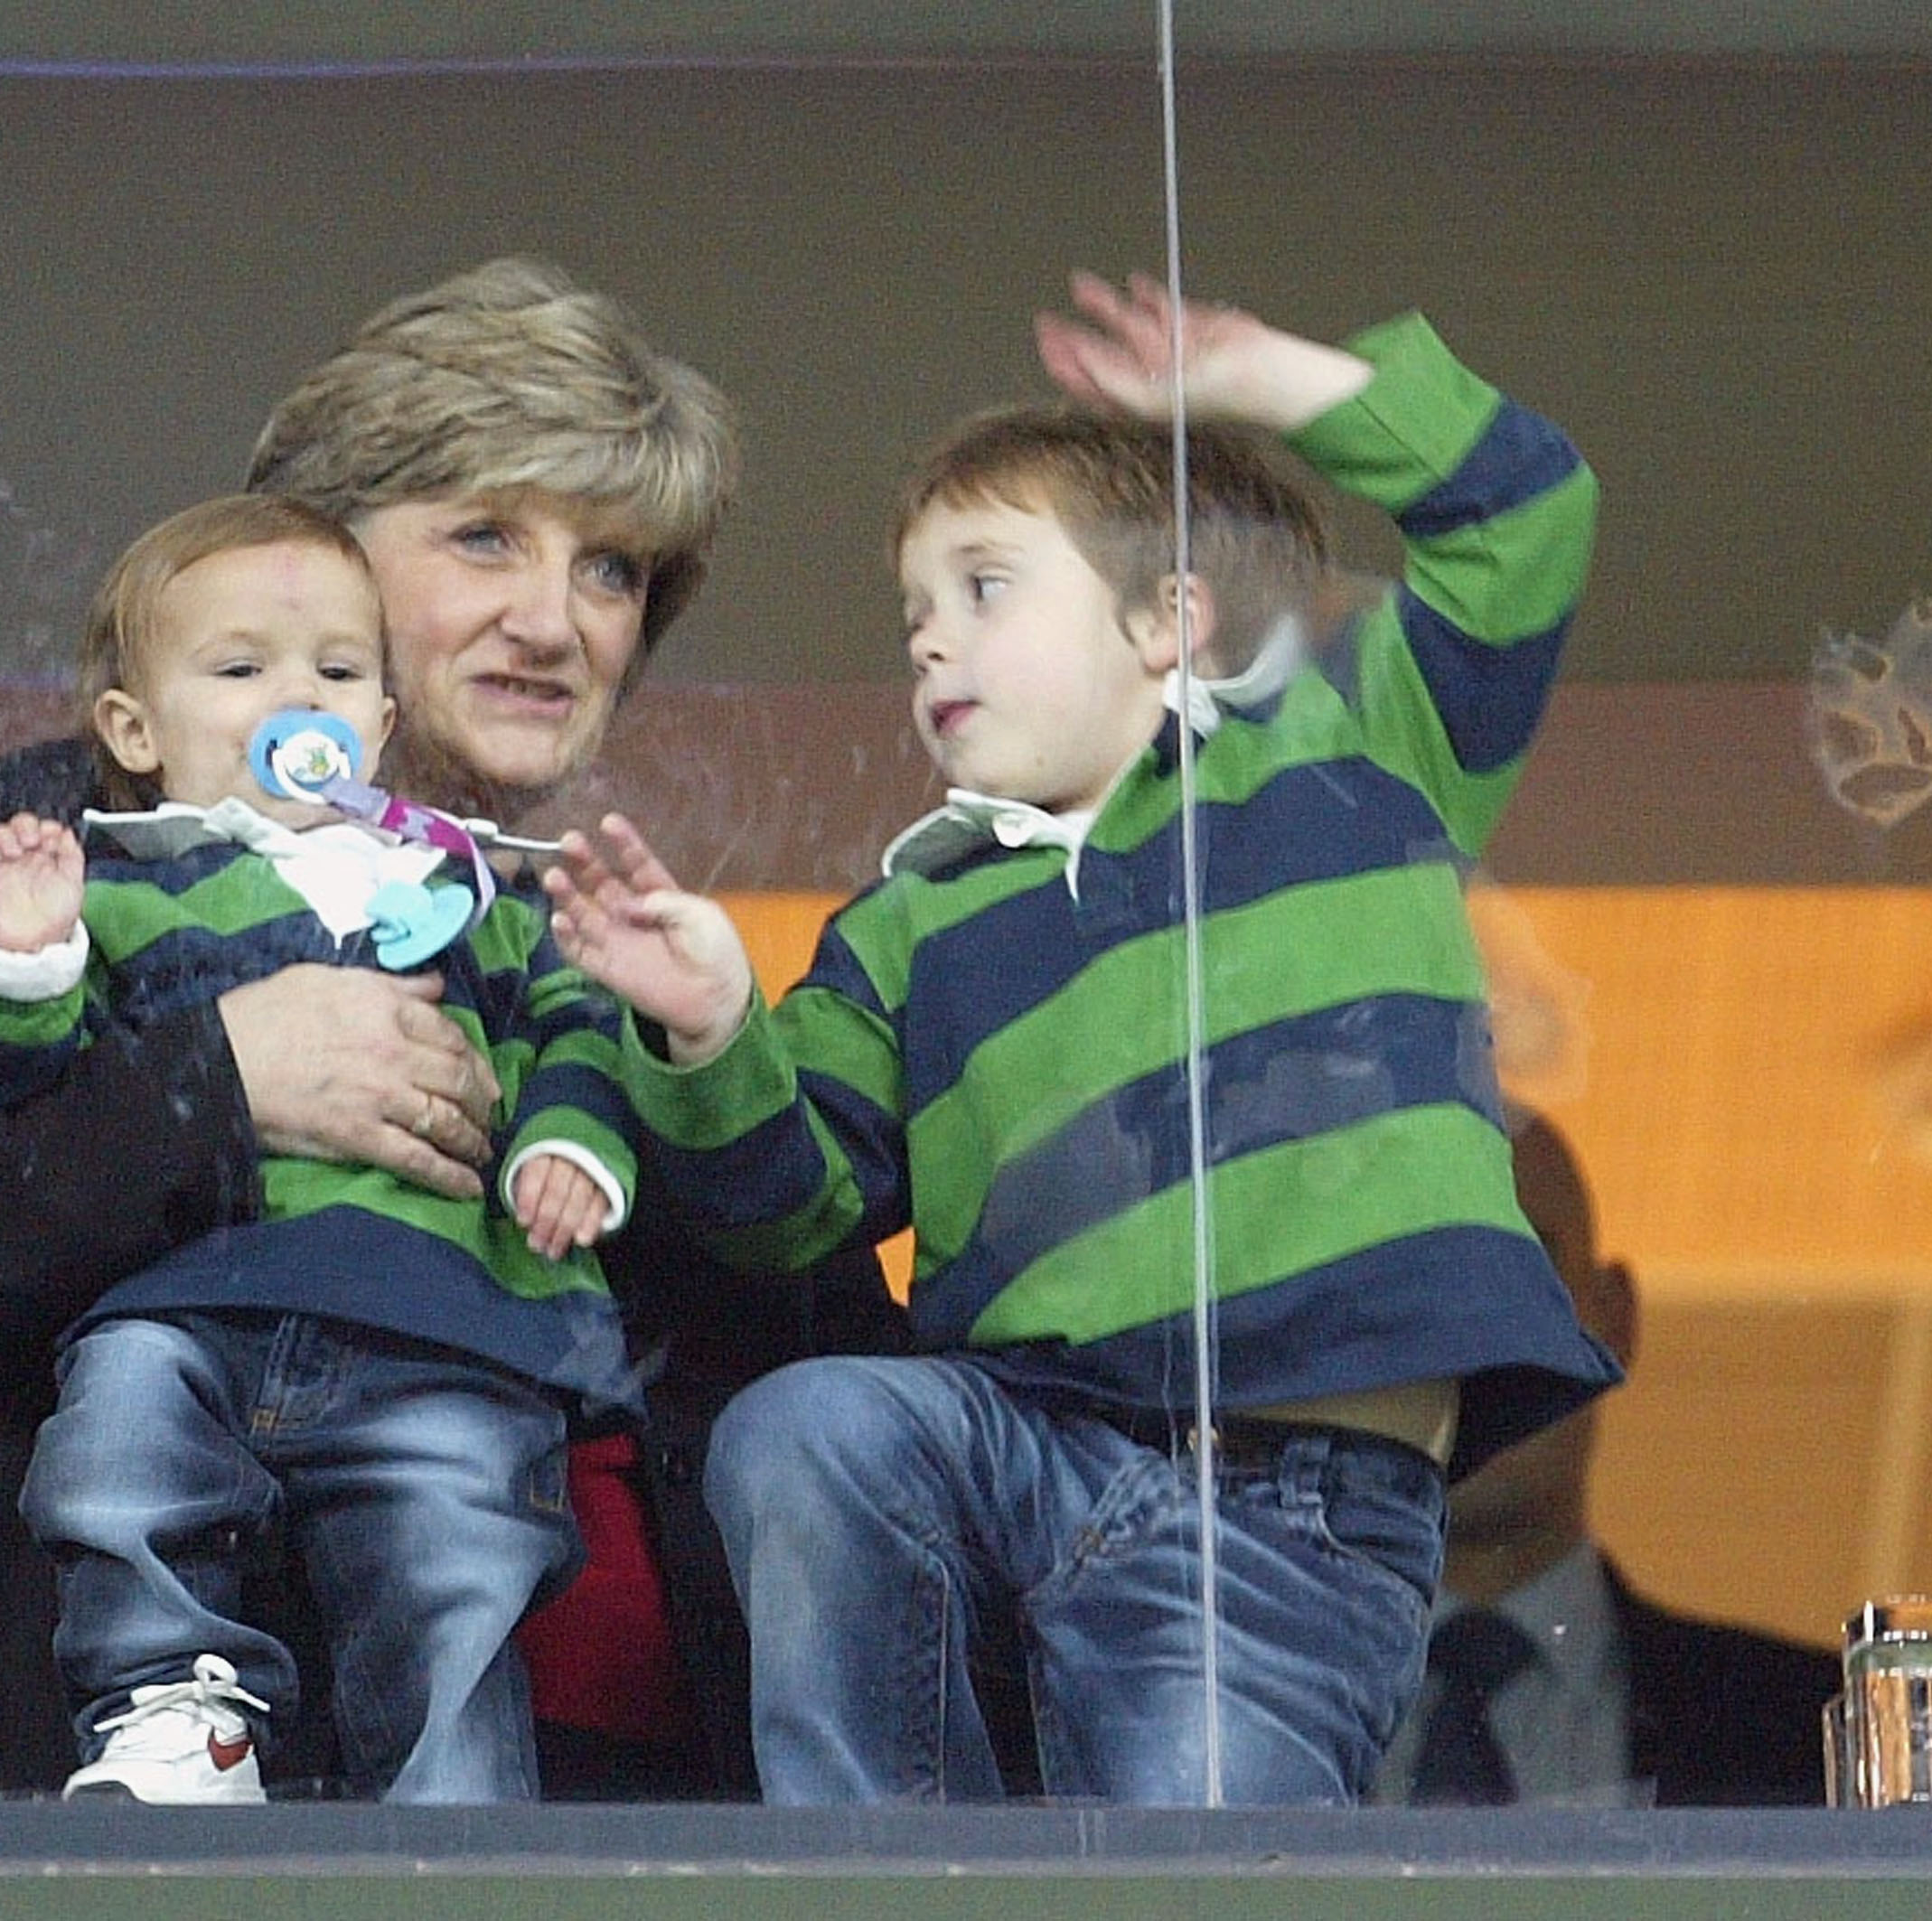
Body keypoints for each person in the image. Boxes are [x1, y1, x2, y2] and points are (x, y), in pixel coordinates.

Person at [0, 258, 904, 1801]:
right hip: (217, 1813)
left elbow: (840, 1389)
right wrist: (227, 1077)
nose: (555, 618)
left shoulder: (589, 922)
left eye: (612, 570)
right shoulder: (99, 825)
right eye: (485, 537)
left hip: (622, 1812)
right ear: (314, 551)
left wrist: (696, 1069)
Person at [544, 274, 1622, 1804]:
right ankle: (883, 1868)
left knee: (1189, 1860)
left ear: (1168, 618)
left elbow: (1526, 517)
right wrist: (715, 1032)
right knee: (816, 1424)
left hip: (1288, 1508)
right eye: (913, 612)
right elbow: (791, 1210)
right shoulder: (913, 919)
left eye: (984, 588)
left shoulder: (1349, 761)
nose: (928, 643)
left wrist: (1272, 378)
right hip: (1032, 1453)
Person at [0, 493, 640, 1803]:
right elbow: (21, 1098)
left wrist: (572, 1146)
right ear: (135, 732)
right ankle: (174, 1721)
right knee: (115, 1441)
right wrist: (24, 961)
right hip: (190, 1306)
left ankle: (462, 1810)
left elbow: (572, 1024)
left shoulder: (465, 890)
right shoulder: (125, 887)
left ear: (379, 723)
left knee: (465, 1538)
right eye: (242, 667)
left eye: (333, 670)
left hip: (436, 1320)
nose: (294, 698)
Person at [1372, 1112, 1932, 1806]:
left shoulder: (1823, 1743)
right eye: (1416, 1284)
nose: (1472, 1338)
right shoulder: (1243, 1737)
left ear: (1613, 1319)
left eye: (1522, 1273)